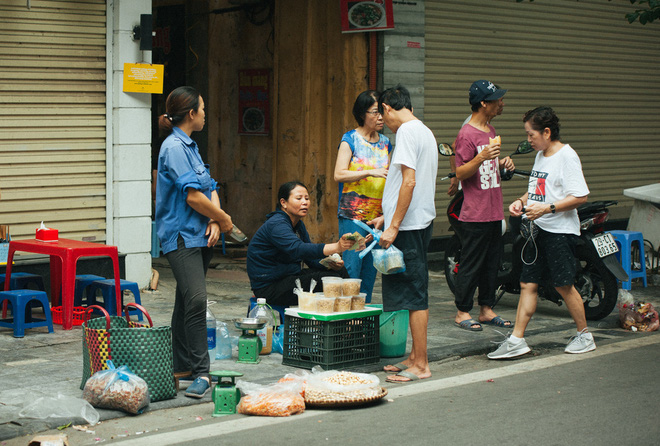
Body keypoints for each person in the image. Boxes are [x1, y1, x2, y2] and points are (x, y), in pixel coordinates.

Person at [488, 106, 594, 359]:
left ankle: (585, 335)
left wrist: (548, 209)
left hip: (560, 232)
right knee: (527, 283)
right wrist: (521, 201)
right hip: (538, 230)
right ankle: (516, 340)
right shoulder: (541, 155)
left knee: (563, 285)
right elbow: (537, 189)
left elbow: (581, 195)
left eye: (530, 134)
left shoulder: (567, 156)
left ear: (547, 132)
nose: (528, 139)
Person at [155, 86, 233, 399]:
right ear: (191, 114)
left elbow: (208, 185)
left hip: (200, 234)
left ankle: (181, 367)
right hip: (179, 236)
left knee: (186, 300)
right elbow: (192, 196)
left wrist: (215, 219)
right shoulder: (173, 147)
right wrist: (224, 219)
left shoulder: (190, 146)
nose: (205, 114)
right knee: (197, 300)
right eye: (202, 108)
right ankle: (202, 373)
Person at [371, 84, 437, 383]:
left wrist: (394, 225)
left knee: (414, 294)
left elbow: (409, 182)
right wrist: (388, 215)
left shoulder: (408, 133)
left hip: (408, 228)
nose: (384, 122)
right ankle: (413, 356)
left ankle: (421, 364)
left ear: (387, 107)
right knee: (411, 292)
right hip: (414, 221)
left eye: (382, 114)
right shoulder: (423, 130)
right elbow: (412, 184)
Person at [453, 80, 515, 331]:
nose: (501, 103)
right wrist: (481, 157)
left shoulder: (490, 130)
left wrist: (502, 164)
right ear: (483, 103)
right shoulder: (466, 134)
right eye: (497, 99)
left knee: (492, 263)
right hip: (475, 213)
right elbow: (460, 172)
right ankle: (462, 311)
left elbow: (489, 167)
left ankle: (486, 309)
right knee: (471, 264)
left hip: (493, 210)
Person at [246, 181, 353, 307]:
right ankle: (347, 315)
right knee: (331, 281)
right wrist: (336, 247)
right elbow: (298, 249)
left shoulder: (297, 224)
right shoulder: (277, 224)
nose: (305, 202)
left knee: (338, 272)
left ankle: (348, 312)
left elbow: (310, 259)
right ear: (283, 203)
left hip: (288, 278)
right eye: (299, 198)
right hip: (270, 287)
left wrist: (330, 264)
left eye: (307, 198)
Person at [333, 90, 392, 303]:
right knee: (352, 268)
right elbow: (339, 174)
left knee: (370, 270)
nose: (380, 117)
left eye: (382, 112)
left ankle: (362, 320)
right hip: (353, 217)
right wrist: (369, 172)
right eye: (375, 112)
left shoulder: (386, 143)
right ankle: (347, 320)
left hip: (377, 219)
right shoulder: (350, 139)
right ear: (362, 114)